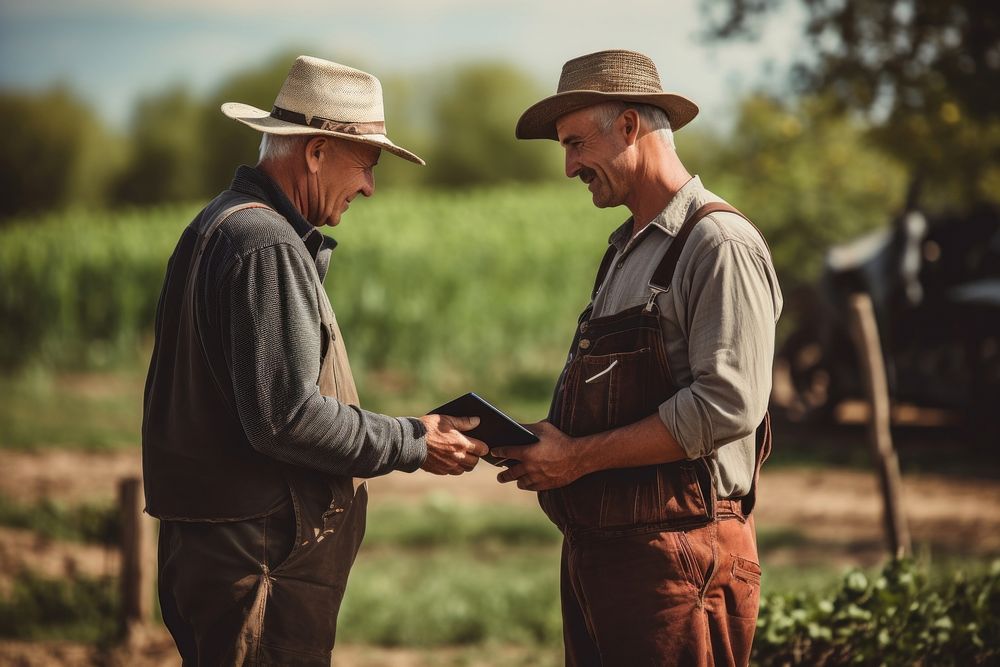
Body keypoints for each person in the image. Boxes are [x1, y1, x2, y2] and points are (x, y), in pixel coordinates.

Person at [141, 55, 487, 666]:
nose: (370, 188)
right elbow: (286, 418)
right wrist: (414, 440)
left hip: (218, 551)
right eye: (367, 164)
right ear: (317, 151)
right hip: (258, 560)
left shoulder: (215, 225)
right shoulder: (266, 244)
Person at [493, 50, 783, 666]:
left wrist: (577, 458)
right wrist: (551, 439)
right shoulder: (627, 249)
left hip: (682, 559)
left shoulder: (718, 243)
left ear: (629, 126)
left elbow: (728, 404)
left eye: (575, 144)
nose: (569, 166)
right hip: (613, 556)